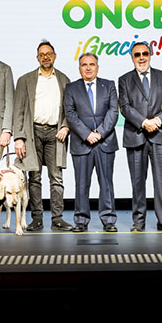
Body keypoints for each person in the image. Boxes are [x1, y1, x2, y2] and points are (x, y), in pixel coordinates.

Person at [12, 40, 74, 232]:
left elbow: (70, 109)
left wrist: (65, 126)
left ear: (55, 56)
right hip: (33, 133)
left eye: (49, 53)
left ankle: (57, 218)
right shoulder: (25, 80)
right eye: (42, 54)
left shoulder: (64, 80)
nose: (45, 57)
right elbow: (19, 111)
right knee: (34, 177)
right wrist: (19, 137)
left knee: (56, 178)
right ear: (37, 57)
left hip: (57, 134)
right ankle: (36, 219)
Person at [118, 42, 162, 233]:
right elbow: (125, 106)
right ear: (132, 57)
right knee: (137, 181)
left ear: (151, 55)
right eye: (137, 54)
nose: (142, 57)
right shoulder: (124, 79)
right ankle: (139, 221)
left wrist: (159, 120)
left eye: (145, 53)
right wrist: (144, 122)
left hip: (159, 135)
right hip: (136, 135)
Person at [62, 53, 119, 233]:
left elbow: (113, 112)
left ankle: (109, 220)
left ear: (97, 67)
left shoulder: (109, 85)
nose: (88, 68)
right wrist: (87, 134)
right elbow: (70, 114)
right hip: (82, 143)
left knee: (106, 183)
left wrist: (100, 133)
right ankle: (81, 220)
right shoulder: (71, 88)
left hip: (105, 142)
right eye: (84, 65)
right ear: (79, 68)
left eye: (92, 64)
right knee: (81, 184)